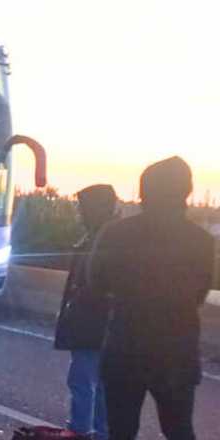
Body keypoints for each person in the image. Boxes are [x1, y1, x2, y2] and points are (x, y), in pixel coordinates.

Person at [87, 157, 216, 440]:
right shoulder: (202, 241)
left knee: (120, 430)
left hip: (125, 348)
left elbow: (95, 282)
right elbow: (200, 293)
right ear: (186, 191)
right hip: (178, 351)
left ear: (144, 191)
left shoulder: (116, 233)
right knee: (179, 429)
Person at [53, 184, 118, 440]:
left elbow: (94, 286)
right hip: (102, 325)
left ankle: (80, 431)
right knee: (101, 384)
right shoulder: (106, 237)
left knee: (83, 381)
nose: (80, 214)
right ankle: (101, 432)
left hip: (93, 324)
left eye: (83, 208)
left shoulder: (101, 240)